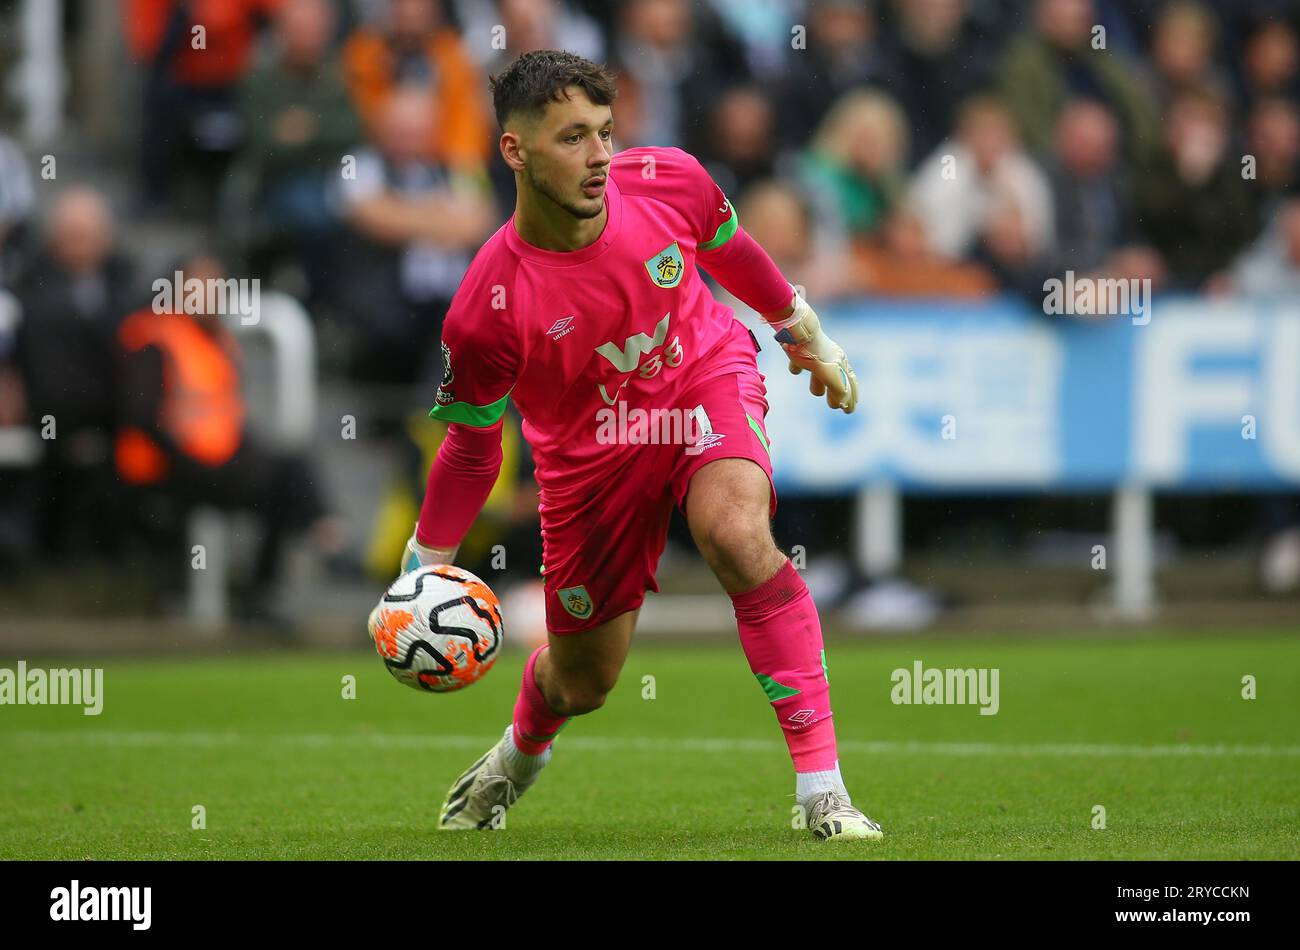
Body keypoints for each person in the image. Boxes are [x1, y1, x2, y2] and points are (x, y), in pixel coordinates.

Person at [401, 50, 877, 842]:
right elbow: (475, 449)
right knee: (583, 681)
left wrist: (802, 329)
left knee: (734, 531)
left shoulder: (669, 181)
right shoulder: (485, 308)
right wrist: (426, 559)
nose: (599, 157)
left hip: (700, 379)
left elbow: (732, 252)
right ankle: (518, 756)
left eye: (606, 133)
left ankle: (822, 792)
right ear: (514, 151)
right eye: (572, 138)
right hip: (587, 460)